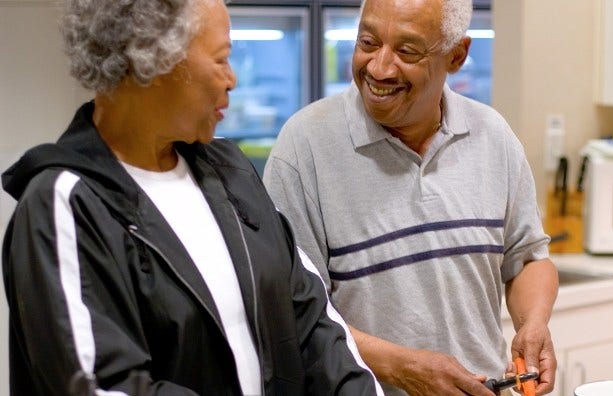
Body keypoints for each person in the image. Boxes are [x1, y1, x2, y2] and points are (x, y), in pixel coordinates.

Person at [1, 0, 384, 395]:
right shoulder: (66, 205)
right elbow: (101, 384)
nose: (231, 79)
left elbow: (313, 321)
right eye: (221, 59)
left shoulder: (229, 172)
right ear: (153, 60)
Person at [262, 0, 559, 394]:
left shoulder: (493, 136)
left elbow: (527, 259)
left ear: (457, 56)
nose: (380, 68)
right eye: (368, 42)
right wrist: (402, 368)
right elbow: (294, 316)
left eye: (407, 51)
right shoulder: (303, 150)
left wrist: (534, 323)